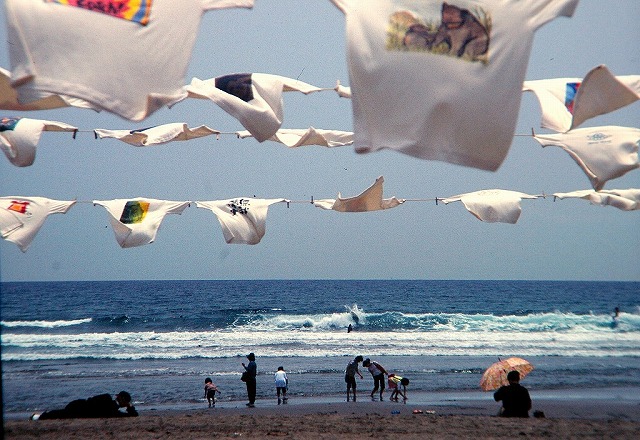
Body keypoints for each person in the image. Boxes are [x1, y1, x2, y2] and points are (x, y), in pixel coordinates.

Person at [32, 391, 138, 420]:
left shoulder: (109, 402)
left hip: (79, 407)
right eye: (127, 402)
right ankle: (37, 417)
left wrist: (129, 407)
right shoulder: (112, 408)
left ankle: (37, 417)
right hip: (79, 408)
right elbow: (132, 415)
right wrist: (130, 407)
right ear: (122, 399)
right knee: (59, 414)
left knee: (59, 414)